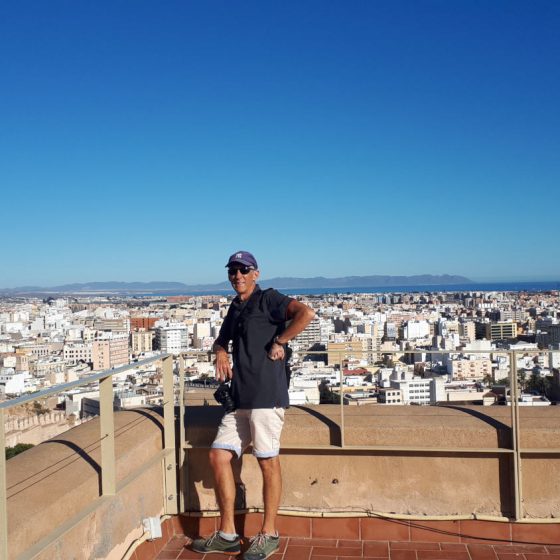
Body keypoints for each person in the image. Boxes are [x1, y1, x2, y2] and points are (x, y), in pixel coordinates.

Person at [192, 251, 315, 559]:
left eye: (243, 270)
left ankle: (269, 533)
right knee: (219, 456)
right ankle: (229, 534)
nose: (238, 276)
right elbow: (221, 338)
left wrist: (281, 341)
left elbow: (306, 313)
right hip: (240, 398)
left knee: (267, 461)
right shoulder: (236, 307)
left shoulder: (269, 299)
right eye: (233, 271)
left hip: (266, 396)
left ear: (256, 273)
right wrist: (221, 350)